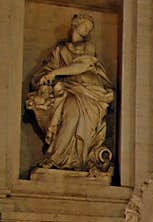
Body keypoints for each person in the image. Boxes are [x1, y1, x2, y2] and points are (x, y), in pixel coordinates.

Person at [26, 14, 114, 172]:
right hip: (68, 89)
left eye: (90, 28)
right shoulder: (60, 50)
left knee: (75, 115)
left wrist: (54, 74)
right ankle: (60, 157)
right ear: (76, 24)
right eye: (85, 26)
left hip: (89, 92)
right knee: (70, 113)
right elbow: (46, 70)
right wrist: (46, 78)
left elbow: (82, 67)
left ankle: (66, 158)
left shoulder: (88, 47)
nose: (87, 31)